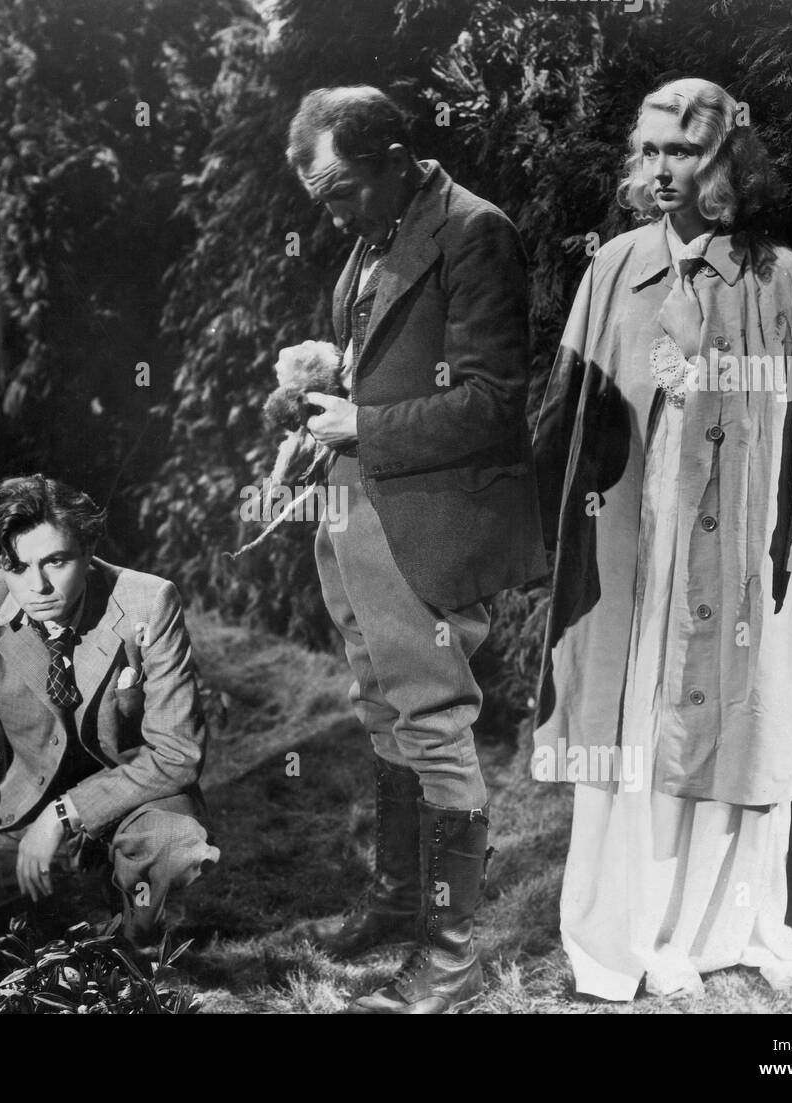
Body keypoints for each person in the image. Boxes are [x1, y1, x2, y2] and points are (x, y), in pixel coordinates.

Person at [532, 77, 792, 1001]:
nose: (660, 169)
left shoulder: (775, 274)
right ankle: (631, 925)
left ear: (724, 162)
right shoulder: (615, 268)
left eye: (684, 151)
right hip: (640, 539)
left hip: (745, 533)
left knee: (734, 721)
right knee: (640, 715)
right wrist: (555, 537)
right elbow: (570, 415)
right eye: (649, 151)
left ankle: (720, 925)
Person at [286, 85, 547, 1013]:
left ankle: (450, 953)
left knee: (434, 723)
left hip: (427, 522)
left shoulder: (476, 232)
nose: (334, 215)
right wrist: (321, 428)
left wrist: (365, 422)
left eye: (343, 191)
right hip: (355, 513)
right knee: (382, 707)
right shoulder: (372, 233)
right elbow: (376, 373)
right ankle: (399, 899)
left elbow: (491, 401)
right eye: (323, 201)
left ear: (395, 155)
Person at [0, 474, 218, 951]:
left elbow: (178, 753)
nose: (38, 585)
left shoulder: (149, 601)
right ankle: (75, 900)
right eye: (16, 565)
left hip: (139, 797)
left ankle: (138, 946)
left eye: (56, 561)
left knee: (172, 844)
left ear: (88, 550)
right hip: (22, 804)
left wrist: (64, 814)